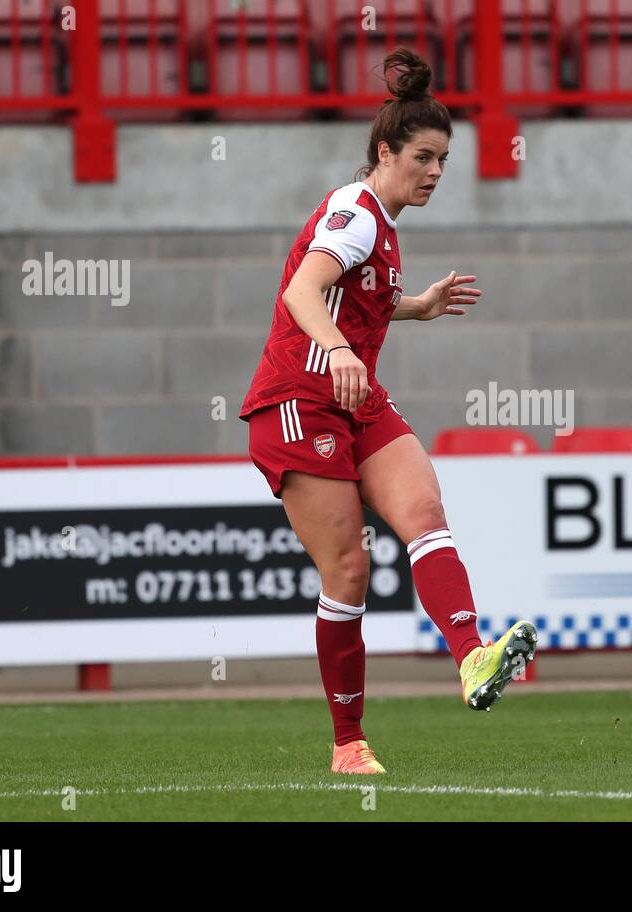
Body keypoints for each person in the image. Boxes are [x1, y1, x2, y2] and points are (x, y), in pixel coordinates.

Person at [239, 48, 537, 775]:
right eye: (424, 157)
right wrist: (340, 350)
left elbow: (351, 295)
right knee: (347, 569)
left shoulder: (381, 225)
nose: (435, 172)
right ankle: (349, 744)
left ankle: (471, 657)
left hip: (355, 396)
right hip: (298, 399)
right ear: (386, 152)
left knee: (424, 511)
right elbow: (303, 296)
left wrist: (413, 307)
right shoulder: (356, 211)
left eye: (444, 160)